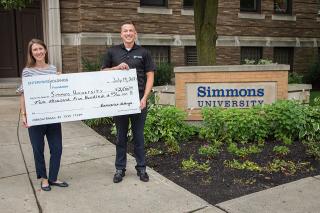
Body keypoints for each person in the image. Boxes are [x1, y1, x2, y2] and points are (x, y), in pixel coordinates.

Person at [101, 21, 156, 183]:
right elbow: (102, 72)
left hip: (139, 101)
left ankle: (141, 168)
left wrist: (145, 98)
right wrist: (116, 68)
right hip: (119, 102)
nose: (128, 33)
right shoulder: (112, 52)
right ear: (121, 34)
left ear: (135, 33)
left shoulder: (144, 52)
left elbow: (150, 76)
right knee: (120, 136)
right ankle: (120, 169)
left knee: (138, 137)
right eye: (125, 31)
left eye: (131, 31)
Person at [18, 39, 68, 191]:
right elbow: (23, 94)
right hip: (35, 117)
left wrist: (61, 80)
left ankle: (53, 177)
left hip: (52, 116)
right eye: (35, 50)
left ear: (45, 50)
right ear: (31, 53)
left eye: (40, 49)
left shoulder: (53, 69)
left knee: (57, 148)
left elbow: (57, 91)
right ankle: (44, 179)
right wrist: (23, 114)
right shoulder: (27, 71)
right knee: (38, 148)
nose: (38, 52)